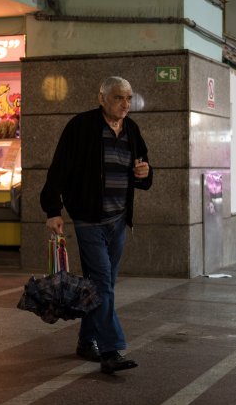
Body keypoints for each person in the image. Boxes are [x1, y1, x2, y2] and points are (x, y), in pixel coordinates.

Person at [40, 76, 153, 375]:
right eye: (118, 98)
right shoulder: (81, 126)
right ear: (101, 97)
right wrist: (53, 210)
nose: (125, 104)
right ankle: (111, 350)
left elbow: (143, 173)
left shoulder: (131, 129)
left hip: (118, 219)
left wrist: (144, 173)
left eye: (128, 98)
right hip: (89, 218)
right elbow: (59, 170)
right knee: (103, 282)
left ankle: (85, 340)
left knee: (100, 285)